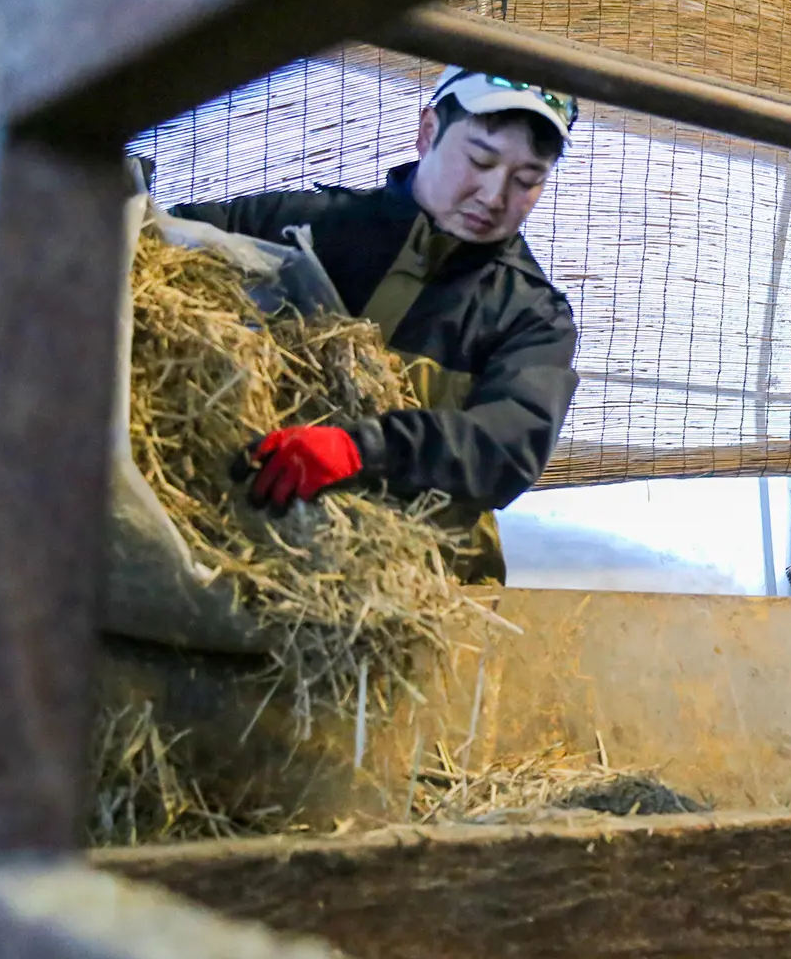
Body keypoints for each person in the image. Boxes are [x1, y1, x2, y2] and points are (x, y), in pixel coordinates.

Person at [163, 67, 583, 585]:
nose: (495, 196)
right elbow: (160, 238)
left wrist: (362, 449)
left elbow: (506, 445)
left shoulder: (531, 316)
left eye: (527, 180)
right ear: (428, 132)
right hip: (218, 544)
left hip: (404, 582)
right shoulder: (307, 228)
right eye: (480, 160)